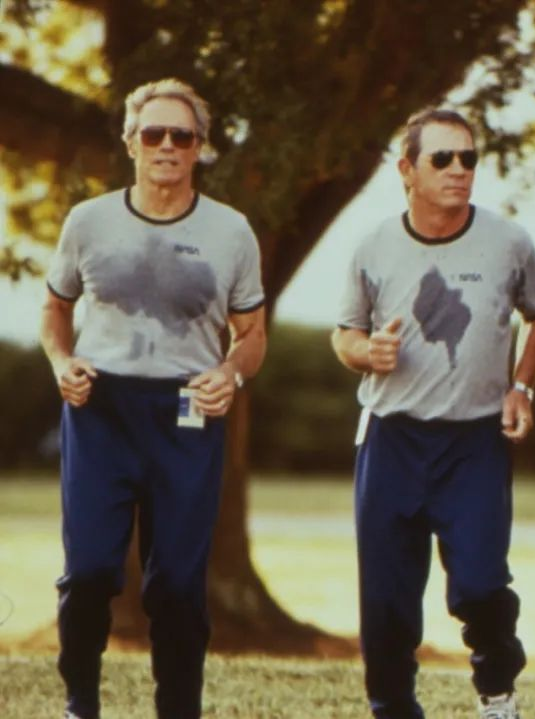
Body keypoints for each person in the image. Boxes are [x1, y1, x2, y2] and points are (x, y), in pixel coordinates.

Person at [40, 78, 267, 719]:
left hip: (186, 412)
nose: (167, 145)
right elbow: (54, 310)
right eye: (154, 133)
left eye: (182, 136)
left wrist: (231, 374)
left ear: (200, 148)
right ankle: (80, 704)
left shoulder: (231, 231)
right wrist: (62, 362)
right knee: (89, 572)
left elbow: (252, 335)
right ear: (131, 142)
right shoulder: (88, 222)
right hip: (100, 409)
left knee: (176, 586)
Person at [331, 108, 535, 719]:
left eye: (468, 158)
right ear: (407, 170)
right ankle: (392, 707)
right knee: (387, 600)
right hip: (392, 439)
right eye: (442, 158)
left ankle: (497, 691)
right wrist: (366, 353)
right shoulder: (374, 246)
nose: (459, 169)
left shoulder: (509, 242)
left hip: (475, 441)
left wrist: (522, 386)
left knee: (481, 585)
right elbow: (345, 333)